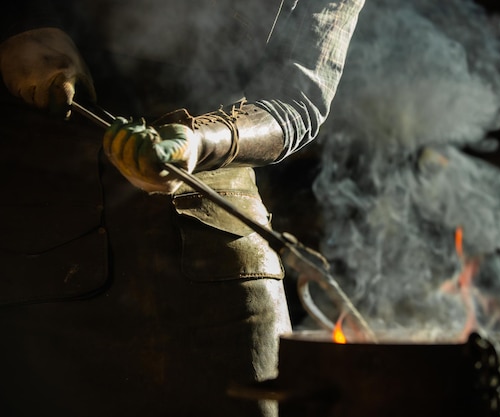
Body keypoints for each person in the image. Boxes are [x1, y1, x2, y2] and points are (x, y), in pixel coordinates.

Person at [0, 1, 365, 416]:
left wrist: (201, 143)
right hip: (38, 251)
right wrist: (23, 26)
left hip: (214, 256)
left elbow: (298, 101)